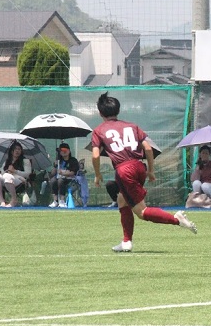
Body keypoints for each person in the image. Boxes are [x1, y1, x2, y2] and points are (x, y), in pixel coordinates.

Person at [92, 91, 197, 253]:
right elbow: (148, 148)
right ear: (118, 111)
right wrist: (151, 170)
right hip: (139, 166)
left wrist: (97, 174)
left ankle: (177, 220)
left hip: (123, 170)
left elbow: (96, 154)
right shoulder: (132, 126)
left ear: (100, 113)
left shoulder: (99, 130)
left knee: (141, 212)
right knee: (122, 199)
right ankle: (126, 242)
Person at [0, 140, 31, 207]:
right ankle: (2, 201)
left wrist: (15, 171)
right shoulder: (7, 161)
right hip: (6, 180)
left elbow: (28, 174)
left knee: (7, 176)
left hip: (20, 181)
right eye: (15, 149)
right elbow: (2, 173)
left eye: (19, 149)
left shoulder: (25, 161)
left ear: (21, 151)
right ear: (11, 151)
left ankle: (14, 200)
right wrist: (8, 172)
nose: (17, 151)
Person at [48, 143, 79, 208]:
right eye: (61, 150)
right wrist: (55, 165)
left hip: (70, 180)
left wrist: (63, 173)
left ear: (69, 151)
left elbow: (72, 172)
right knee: (53, 180)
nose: (63, 152)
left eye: (65, 150)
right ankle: (55, 201)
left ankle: (62, 201)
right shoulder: (59, 161)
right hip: (58, 178)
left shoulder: (73, 160)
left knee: (60, 181)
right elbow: (53, 173)